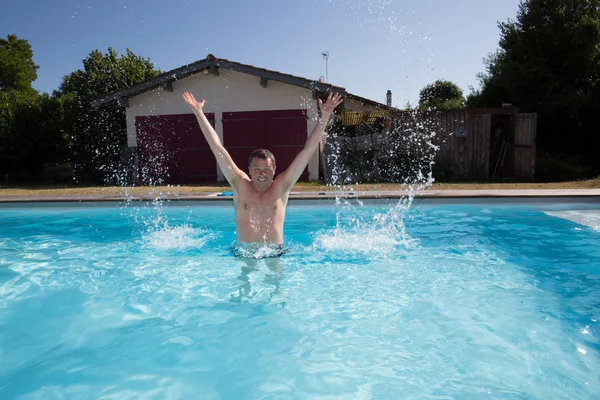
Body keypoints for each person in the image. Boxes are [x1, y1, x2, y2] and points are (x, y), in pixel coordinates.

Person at [182, 91, 343, 253]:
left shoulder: (282, 186)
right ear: (249, 170)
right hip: (244, 254)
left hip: (275, 253)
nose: (261, 173)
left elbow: (307, 151)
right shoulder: (240, 184)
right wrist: (199, 112)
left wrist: (325, 115)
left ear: (274, 170)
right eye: (257, 169)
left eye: (266, 169)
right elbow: (217, 148)